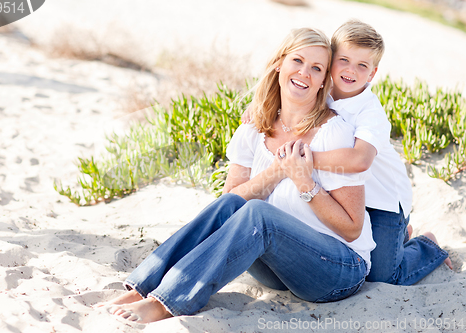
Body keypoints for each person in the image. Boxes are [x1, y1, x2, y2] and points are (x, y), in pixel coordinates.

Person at [94, 27, 376, 323]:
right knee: (230, 205)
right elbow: (231, 202)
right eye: (298, 61)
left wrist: (304, 182)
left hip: (338, 270)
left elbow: (351, 229)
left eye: (316, 68)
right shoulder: (253, 129)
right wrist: (279, 170)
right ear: (280, 64)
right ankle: (143, 289)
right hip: (279, 269)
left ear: (323, 82)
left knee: (259, 214)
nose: (304, 73)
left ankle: (166, 303)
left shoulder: (334, 134)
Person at [244, 19, 451, 285]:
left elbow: (360, 159)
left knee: (383, 276)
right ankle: (399, 238)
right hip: (349, 196)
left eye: (362, 65)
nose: (351, 71)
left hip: (382, 201)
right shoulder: (322, 90)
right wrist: (259, 106)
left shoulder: (370, 112)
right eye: (344, 60)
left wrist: (302, 160)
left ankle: (425, 246)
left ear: (372, 73)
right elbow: (288, 96)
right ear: (330, 62)